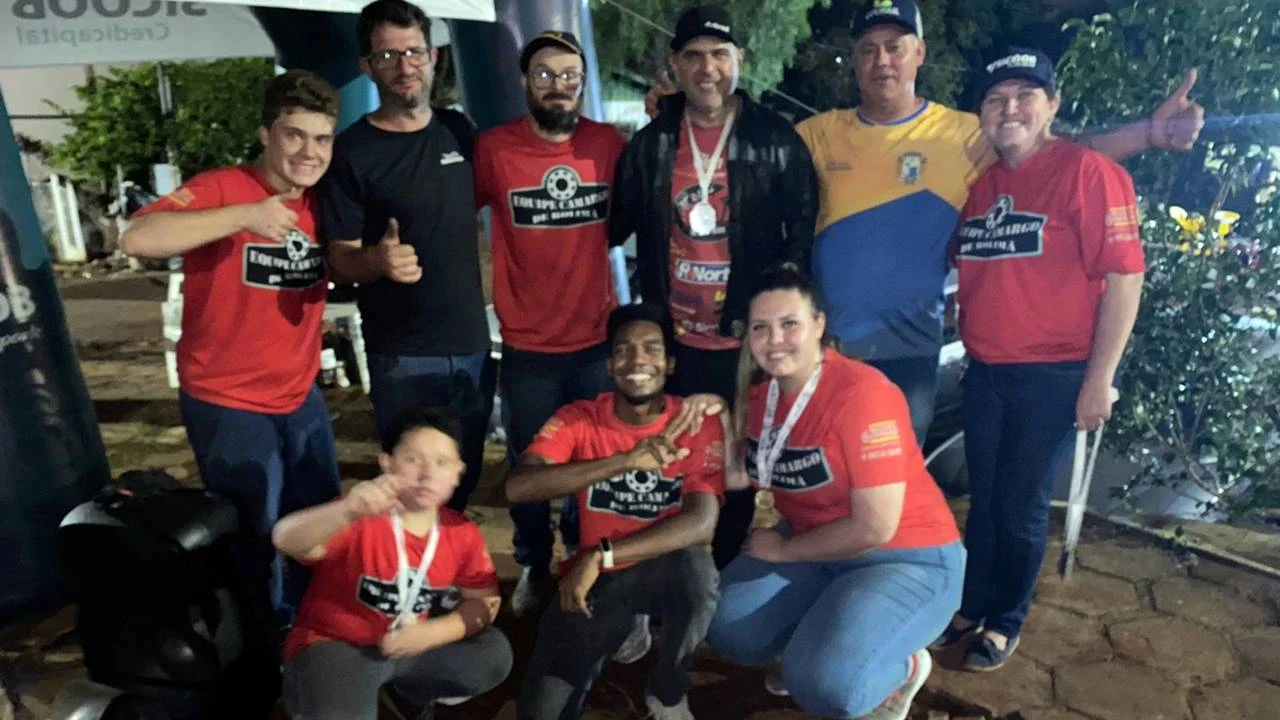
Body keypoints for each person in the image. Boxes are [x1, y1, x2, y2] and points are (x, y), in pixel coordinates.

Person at [794, 0, 1202, 444]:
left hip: (907, 351)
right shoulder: (818, 134)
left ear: (920, 53)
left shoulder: (964, 134)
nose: (882, 60)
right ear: (854, 59)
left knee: (890, 476)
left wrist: (1148, 134)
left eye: (895, 47)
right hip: (821, 345)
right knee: (814, 469)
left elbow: (1058, 152)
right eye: (868, 49)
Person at [933, 48, 1145, 672]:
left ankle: (1006, 620)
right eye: (996, 99)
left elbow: (1125, 278)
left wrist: (1099, 380)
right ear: (982, 113)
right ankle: (971, 605)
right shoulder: (981, 188)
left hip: (1054, 375)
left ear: (1052, 105)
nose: (1010, 109)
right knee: (985, 500)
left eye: (1025, 96)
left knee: (1021, 507)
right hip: (986, 374)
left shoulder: (1090, 173)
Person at [120, 70, 343, 643]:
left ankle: (314, 637)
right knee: (254, 537)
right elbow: (136, 238)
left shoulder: (325, 199)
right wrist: (245, 216)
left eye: (321, 138)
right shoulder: (224, 187)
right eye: (294, 135)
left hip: (299, 395)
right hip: (228, 400)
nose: (309, 152)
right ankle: (264, 650)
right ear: (266, 134)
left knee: (320, 525)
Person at [706, 263, 964, 720]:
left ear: (819, 324)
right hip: (818, 546)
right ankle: (818, 645)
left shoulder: (863, 394)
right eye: (761, 328)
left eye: (790, 323)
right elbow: (742, 477)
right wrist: (720, 419)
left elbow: (874, 527)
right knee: (725, 626)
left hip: (905, 555)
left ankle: (901, 670)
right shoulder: (763, 398)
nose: (775, 339)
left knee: (828, 687)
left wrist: (785, 551)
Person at [610, 4, 818, 571]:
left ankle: (724, 572)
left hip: (743, 341)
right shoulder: (651, 143)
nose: (708, 69)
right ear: (675, 65)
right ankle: (662, 572)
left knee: (736, 464)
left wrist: (781, 329)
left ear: (739, 60)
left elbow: (802, 236)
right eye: (695, 56)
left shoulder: (776, 140)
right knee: (667, 457)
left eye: (720, 55)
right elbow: (614, 224)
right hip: (673, 340)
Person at [509, 303, 725, 720]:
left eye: (652, 348)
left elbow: (702, 523)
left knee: (697, 573)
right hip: (600, 585)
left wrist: (601, 554)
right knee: (540, 711)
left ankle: (667, 690)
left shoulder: (694, 421)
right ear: (609, 366)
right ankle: (622, 629)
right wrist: (623, 462)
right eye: (624, 350)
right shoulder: (579, 418)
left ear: (670, 363)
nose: (637, 360)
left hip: (654, 569)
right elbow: (519, 486)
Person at [473, 30, 626, 617]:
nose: (557, 85)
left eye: (568, 76)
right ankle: (535, 564)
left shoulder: (607, 143)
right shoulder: (495, 149)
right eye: (544, 75)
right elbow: (452, 214)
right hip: (527, 346)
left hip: (595, 340)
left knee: (594, 466)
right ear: (524, 81)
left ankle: (589, 559)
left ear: (582, 83)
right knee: (529, 468)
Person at [319, 0, 490, 511]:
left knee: (462, 479)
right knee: (412, 488)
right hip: (403, 356)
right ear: (367, 66)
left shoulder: (460, 131)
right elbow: (338, 257)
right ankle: (407, 563)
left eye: (414, 51)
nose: (404, 65)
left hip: (473, 345)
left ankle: (446, 559)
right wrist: (376, 261)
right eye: (388, 55)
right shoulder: (351, 151)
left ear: (433, 56)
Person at [275, 406, 513, 720]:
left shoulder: (461, 532)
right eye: (413, 459)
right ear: (387, 463)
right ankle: (306, 689)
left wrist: (433, 633)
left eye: (442, 463)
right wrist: (346, 511)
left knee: (492, 653)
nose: (427, 474)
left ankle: (406, 694)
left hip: (410, 644)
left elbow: (485, 601)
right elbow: (286, 539)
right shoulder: (360, 515)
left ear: (459, 472)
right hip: (338, 644)